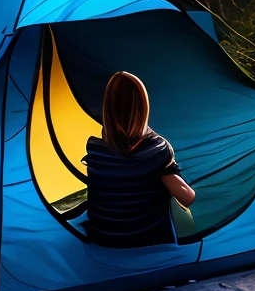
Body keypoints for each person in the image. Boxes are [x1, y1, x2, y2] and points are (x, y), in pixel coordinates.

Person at [84, 71, 196, 248]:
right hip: (149, 239)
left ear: (107, 108)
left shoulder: (94, 149)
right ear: (144, 107)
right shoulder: (157, 150)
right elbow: (187, 197)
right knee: (184, 214)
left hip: (103, 237)